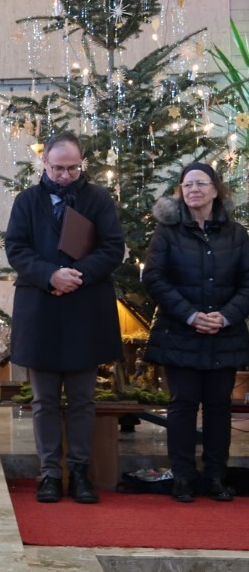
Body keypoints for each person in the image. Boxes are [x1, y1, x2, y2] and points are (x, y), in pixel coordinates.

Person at [5, 130, 125, 505]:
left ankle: (81, 473)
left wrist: (77, 276)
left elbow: (113, 248)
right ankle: (50, 474)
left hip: (84, 310)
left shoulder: (98, 199)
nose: (65, 175)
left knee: (82, 400)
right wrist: (50, 275)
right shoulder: (27, 201)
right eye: (58, 168)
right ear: (44, 163)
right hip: (40, 309)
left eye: (73, 168)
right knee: (44, 401)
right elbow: (16, 248)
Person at [142, 162, 249, 503]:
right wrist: (190, 315)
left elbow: (247, 283)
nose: (193, 190)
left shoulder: (237, 234)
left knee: (219, 406)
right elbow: (154, 278)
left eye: (201, 183)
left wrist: (226, 316)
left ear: (216, 190)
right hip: (180, 332)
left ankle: (216, 476)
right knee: (183, 405)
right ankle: (183, 477)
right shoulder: (167, 232)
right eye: (187, 185)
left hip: (224, 333)